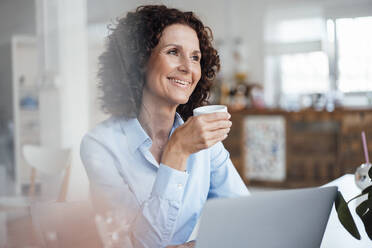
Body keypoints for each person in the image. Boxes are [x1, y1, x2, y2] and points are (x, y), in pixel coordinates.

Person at [80, 5, 249, 248]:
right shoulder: (100, 145)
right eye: (173, 52)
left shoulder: (203, 141)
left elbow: (243, 215)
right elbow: (136, 244)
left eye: (195, 57)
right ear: (139, 60)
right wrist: (177, 152)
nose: (188, 68)